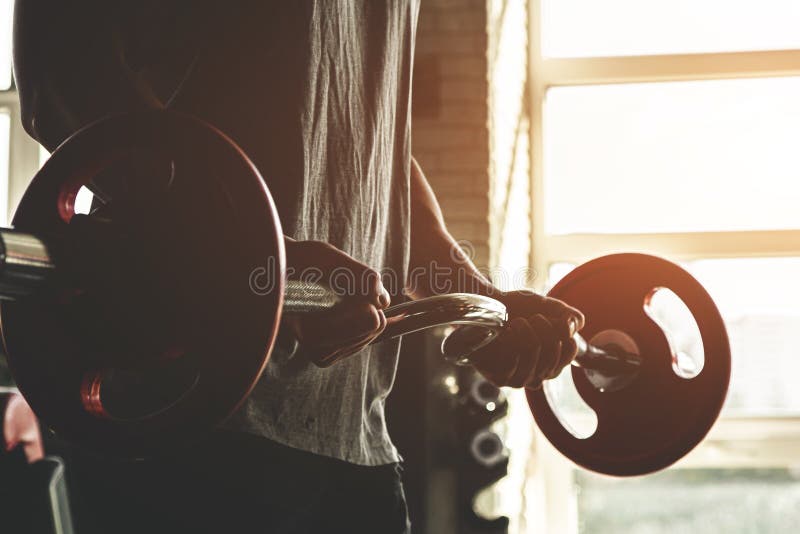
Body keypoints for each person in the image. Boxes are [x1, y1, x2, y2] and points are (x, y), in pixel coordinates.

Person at [12, 1, 584, 532]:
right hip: (196, 426)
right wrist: (240, 254)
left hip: (357, 441)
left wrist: (475, 297)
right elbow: (58, 63)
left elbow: (372, 140)